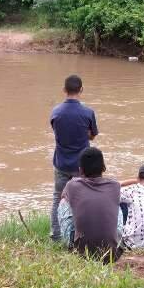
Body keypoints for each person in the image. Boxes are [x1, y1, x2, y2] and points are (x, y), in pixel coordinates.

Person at [49, 75, 98, 241]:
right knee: (81, 199)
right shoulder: (88, 112)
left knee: (58, 197)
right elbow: (92, 136)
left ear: (64, 90)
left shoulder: (56, 112)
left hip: (61, 163)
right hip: (82, 166)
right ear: (81, 90)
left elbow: (57, 132)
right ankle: (80, 236)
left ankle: (56, 235)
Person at [58, 147, 122, 263]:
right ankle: (115, 242)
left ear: (80, 170)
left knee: (64, 202)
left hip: (82, 253)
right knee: (119, 204)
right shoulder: (115, 186)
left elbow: (63, 197)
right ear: (104, 168)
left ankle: (69, 245)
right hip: (111, 254)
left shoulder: (71, 185)